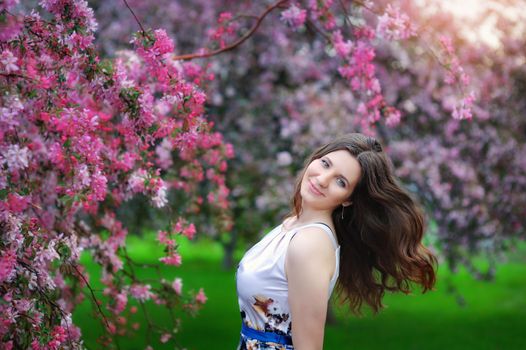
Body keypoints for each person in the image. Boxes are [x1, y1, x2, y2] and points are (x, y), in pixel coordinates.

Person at [236, 133, 437, 349]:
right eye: (325, 164)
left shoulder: (310, 243)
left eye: (340, 181)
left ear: (349, 198)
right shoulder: (293, 224)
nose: (322, 179)